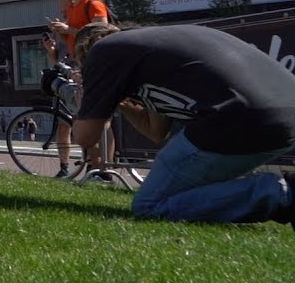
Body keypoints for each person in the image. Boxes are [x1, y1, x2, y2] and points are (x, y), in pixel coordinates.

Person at [69, 23, 295, 226]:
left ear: (84, 56)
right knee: (187, 191)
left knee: (148, 206)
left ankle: (282, 194)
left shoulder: (104, 53)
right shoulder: (146, 50)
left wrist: (86, 103)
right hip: (284, 112)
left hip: (240, 118)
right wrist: (116, 98)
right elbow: (156, 131)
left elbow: (86, 137)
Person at [45, 0, 110, 177]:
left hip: (96, 64)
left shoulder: (94, 4)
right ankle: (95, 167)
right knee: (88, 116)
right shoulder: (74, 8)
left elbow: (101, 33)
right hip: (80, 65)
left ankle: (103, 169)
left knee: (100, 118)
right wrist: (62, 33)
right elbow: (74, 38)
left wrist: (68, 30)